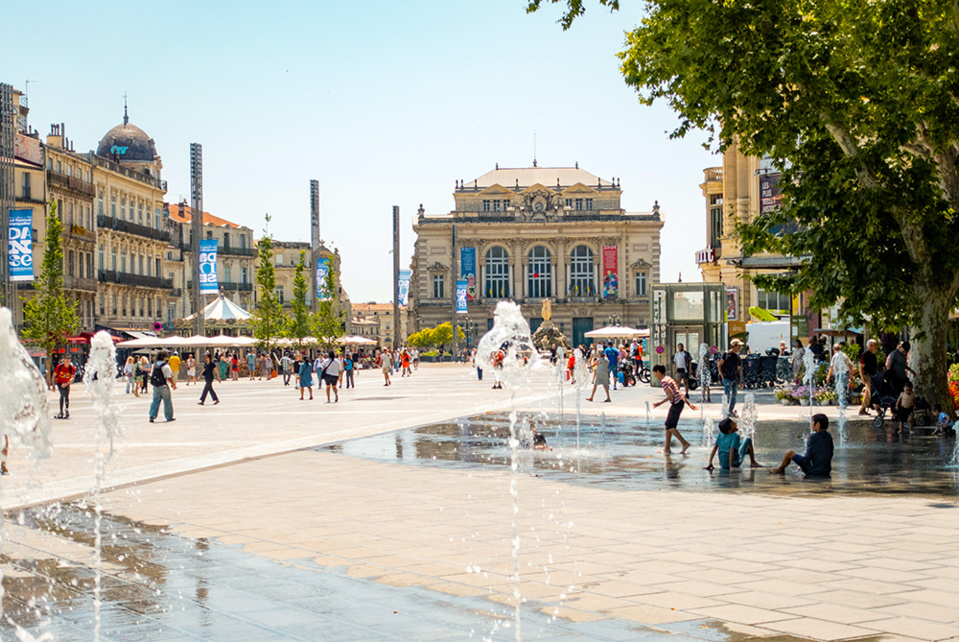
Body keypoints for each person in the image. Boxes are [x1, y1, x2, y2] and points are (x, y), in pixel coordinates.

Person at [769, 413, 833, 477]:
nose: (811, 424)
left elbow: (807, 458)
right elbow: (830, 453)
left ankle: (780, 469)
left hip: (814, 471)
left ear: (818, 424)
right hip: (826, 470)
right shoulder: (828, 435)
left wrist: (802, 465)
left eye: (812, 422)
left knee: (789, 453)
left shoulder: (813, 437)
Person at [651, 364, 696, 454]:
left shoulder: (664, 381)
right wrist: (688, 403)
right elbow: (678, 392)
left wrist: (659, 403)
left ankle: (685, 443)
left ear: (658, 372)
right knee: (669, 425)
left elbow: (671, 395)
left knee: (670, 425)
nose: (655, 375)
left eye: (655, 373)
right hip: (679, 402)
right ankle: (667, 448)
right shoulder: (669, 378)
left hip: (677, 404)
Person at [148, 350, 177, 423]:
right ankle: (169, 416)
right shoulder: (166, 366)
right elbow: (169, 377)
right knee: (167, 402)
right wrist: (173, 385)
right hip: (163, 386)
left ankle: (152, 415)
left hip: (155, 387)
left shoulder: (153, 365)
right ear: (164, 357)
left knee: (155, 401)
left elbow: (151, 375)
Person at [717, 339, 744, 417]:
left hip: (735, 378)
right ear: (734, 345)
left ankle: (730, 410)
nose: (740, 347)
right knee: (727, 395)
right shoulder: (726, 354)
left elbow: (739, 369)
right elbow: (719, 365)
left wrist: (740, 380)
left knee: (734, 396)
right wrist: (722, 375)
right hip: (727, 378)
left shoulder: (737, 357)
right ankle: (725, 411)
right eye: (738, 346)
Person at [859, 339, 880, 416]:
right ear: (870, 346)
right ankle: (877, 408)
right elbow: (861, 367)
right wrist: (862, 377)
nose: (876, 347)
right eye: (875, 345)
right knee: (872, 391)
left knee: (868, 393)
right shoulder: (865, 354)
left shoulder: (873, 355)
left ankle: (862, 409)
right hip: (867, 375)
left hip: (873, 375)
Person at [53, 355, 76, 419]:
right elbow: (54, 375)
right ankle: (61, 411)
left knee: (66, 396)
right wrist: (53, 386)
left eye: (69, 359)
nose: (68, 360)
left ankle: (66, 410)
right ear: (64, 359)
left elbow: (72, 378)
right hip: (59, 383)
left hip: (67, 384)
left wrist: (66, 384)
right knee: (62, 394)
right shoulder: (59, 367)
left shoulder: (72, 368)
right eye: (66, 359)